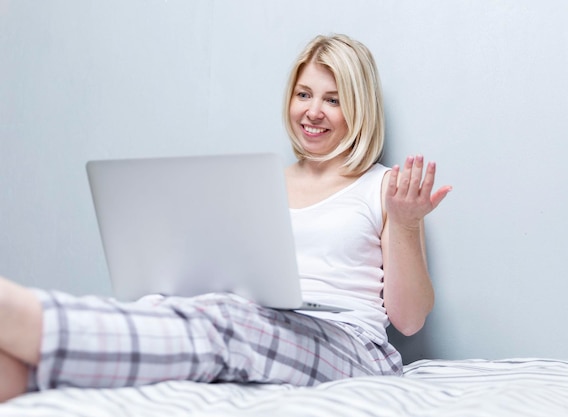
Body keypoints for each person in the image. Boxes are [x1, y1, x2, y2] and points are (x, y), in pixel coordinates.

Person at [0, 34, 451, 401]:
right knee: (163, 307)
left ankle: (23, 314)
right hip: (262, 322)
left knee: (229, 323)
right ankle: (20, 377)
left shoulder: (386, 188)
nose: (313, 111)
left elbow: (409, 321)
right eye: (304, 94)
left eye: (333, 99)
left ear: (359, 107)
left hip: (350, 346)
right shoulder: (259, 183)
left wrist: (406, 222)